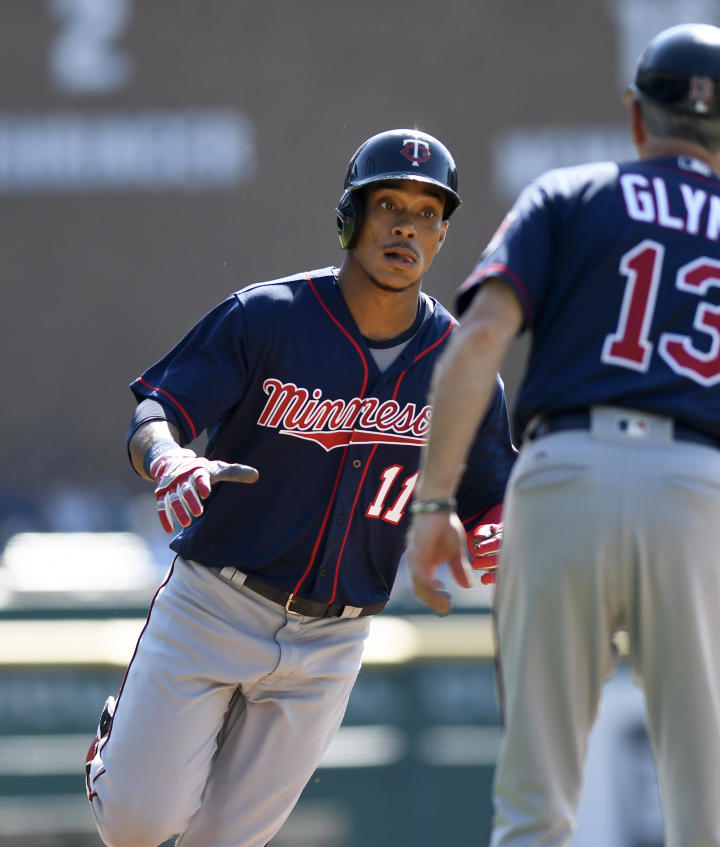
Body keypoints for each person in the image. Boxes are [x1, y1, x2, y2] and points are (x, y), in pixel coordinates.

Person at [406, 24, 720, 847]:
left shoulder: (569, 197)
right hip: (697, 489)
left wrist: (434, 499)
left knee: (536, 796)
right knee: (707, 807)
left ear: (637, 118)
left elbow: (481, 336)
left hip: (565, 472)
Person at [84, 128, 515, 847]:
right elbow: (157, 410)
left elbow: (493, 487)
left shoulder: (463, 363)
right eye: (387, 204)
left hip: (334, 640)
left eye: (426, 210)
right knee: (138, 824)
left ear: (443, 233)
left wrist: (502, 525)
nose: (406, 223)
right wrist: (167, 458)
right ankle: (115, 748)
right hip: (214, 603)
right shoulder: (269, 316)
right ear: (350, 217)